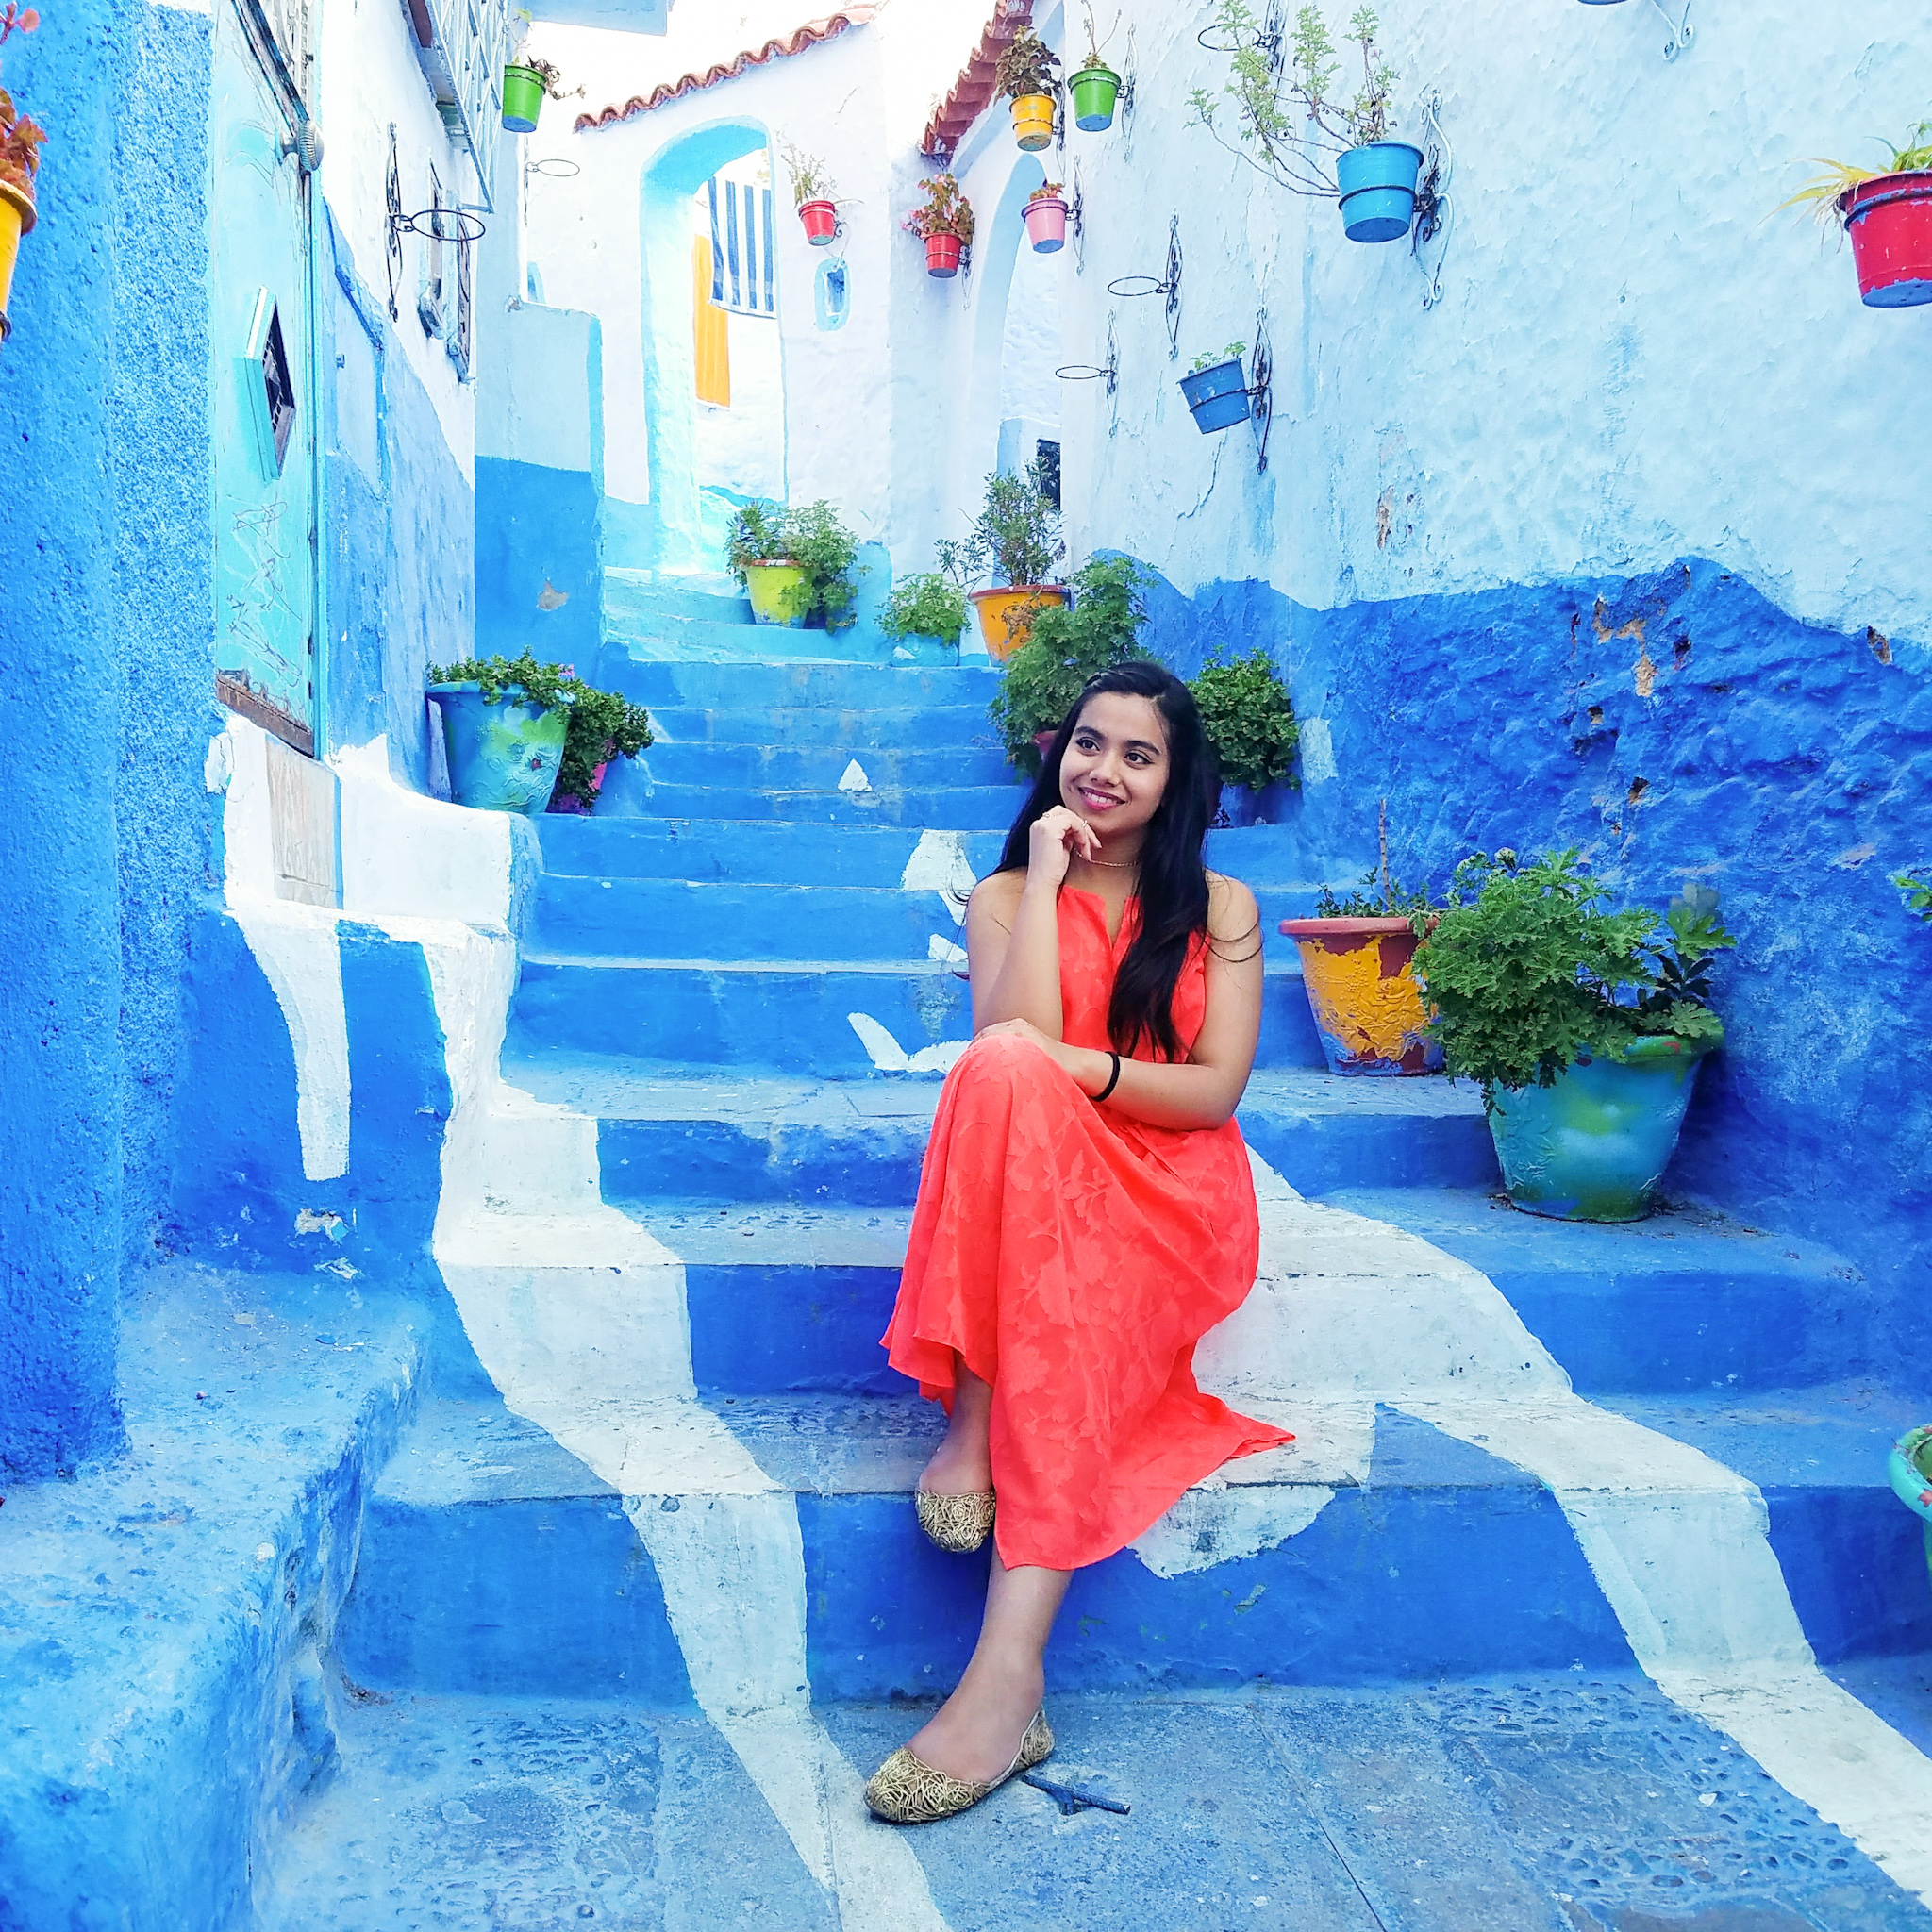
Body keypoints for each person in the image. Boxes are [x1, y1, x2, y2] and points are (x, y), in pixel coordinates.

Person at [863, 660, 1293, 1825]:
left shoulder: (1222, 907)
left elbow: (1211, 1095)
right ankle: (977, 1434)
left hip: (1171, 1194)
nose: (1104, 770)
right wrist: (1048, 878)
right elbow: (1017, 1046)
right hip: (1043, 1177)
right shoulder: (1007, 892)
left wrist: (1087, 1073)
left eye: (1136, 754)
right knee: (1001, 1069)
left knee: (1014, 1081)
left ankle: (1006, 1667)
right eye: (1087, 745)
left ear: (1173, 778)